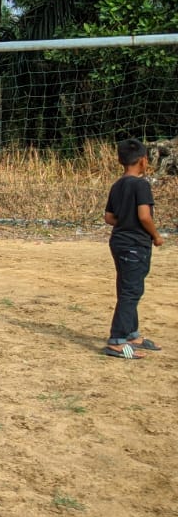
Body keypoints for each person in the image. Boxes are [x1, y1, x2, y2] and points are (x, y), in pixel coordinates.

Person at [103, 138, 164, 359]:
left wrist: (125, 222)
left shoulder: (117, 185)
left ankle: (131, 333)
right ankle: (117, 340)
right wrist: (156, 236)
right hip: (135, 245)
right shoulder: (141, 185)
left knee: (128, 287)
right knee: (131, 291)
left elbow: (109, 217)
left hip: (118, 242)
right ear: (143, 161)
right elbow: (144, 216)